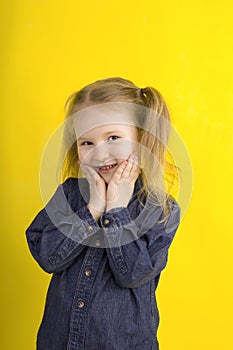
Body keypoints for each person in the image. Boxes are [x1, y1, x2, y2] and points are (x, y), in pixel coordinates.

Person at [25, 77, 181, 350]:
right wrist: (94, 207)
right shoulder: (69, 195)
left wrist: (117, 209)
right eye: (86, 143)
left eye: (113, 137)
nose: (100, 153)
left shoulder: (160, 209)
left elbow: (133, 273)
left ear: (142, 138)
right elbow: (48, 257)